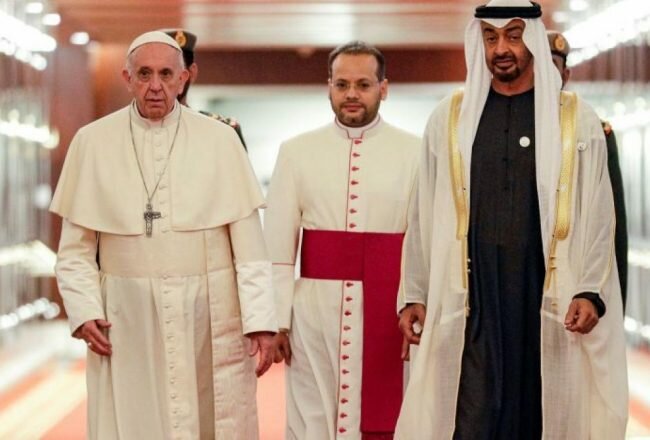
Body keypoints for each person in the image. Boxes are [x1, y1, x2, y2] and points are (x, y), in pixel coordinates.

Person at [395, 1, 628, 439]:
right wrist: (413, 291)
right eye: (491, 37)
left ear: (534, 40)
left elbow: (600, 214)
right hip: (472, 299)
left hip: (544, 297)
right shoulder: (449, 118)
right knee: (471, 417)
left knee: (538, 416)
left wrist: (590, 291)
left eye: (514, 36)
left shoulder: (576, 119)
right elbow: (422, 212)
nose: (501, 48)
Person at [51, 31, 277, 439]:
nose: (155, 86)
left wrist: (260, 320)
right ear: (127, 78)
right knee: (134, 421)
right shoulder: (92, 141)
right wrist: (84, 309)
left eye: (166, 74)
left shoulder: (221, 140)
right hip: (127, 317)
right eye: (144, 74)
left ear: (184, 78)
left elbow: (250, 248)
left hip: (208, 312)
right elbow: (74, 251)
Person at [265, 41, 420, 439]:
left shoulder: (416, 153)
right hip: (314, 314)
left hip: (389, 309)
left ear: (383, 88)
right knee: (313, 416)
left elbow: (422, 242)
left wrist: (416, 301)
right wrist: (277, 321)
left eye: (363, 85)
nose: (352, 94)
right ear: (329, 87)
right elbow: (278, 248)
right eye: (342, 84)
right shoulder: (296, 152)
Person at [548, 29, 629, 310]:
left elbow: (613, 224)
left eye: (553, 66)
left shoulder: (593, 131)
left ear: (566, 75)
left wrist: (611, 303)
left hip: (577, 278)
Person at [161, 28, 247, 148]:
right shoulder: (137, 130)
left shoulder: (222, 132)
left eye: (176, 72)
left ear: (191, 73)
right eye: (164, 73)